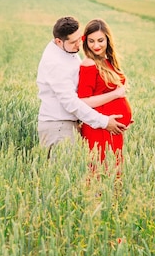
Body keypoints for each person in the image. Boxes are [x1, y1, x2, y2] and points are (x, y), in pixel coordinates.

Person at [36, 16, 127, 155]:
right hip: (59, 127)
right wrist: (104, 121)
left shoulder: (68, 50)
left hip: (69, 124)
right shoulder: (55, 64)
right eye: (74, 42)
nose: (79, 44)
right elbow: (72, 103)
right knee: (63, 173)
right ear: (59, 41)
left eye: (80, 38)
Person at [78, 19, 132, 165]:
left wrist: (125, 116)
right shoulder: (89, 64)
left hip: (113, 127)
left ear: (108, 39)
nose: (96, 45)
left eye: (100, 40)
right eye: (91, 41)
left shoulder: (107, 61)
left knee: (112, 171)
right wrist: (116, 95)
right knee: (101, 170)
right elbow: (83, 101)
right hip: (100, 127)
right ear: (85, 42)